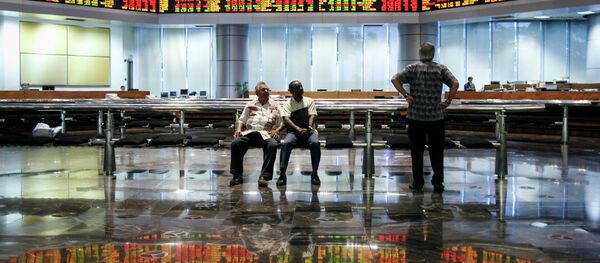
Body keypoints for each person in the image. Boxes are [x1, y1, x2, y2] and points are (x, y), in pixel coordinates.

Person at [391, 42, 458, 193]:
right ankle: (438, 182)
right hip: (435, 117)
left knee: (416, 152)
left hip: (416, 117)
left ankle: (418, 182)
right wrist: (447, 101)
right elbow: (455, 83)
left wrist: (406, 94)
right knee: (437, 152)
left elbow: (395, 79)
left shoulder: (412, 68)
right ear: (433, 54)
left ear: (420, 54)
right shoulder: (441, 69)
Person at [229, 81, 284, 187]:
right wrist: (238, 130)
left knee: (272, 145)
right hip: (250, 132)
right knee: (236, 143)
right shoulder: (250, 104)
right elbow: (242, 119)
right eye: (263, 90)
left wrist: (276, 131)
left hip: (266, 133)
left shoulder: (276, 105)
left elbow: (283, 121)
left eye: (268, 90)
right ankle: (237, 175)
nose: (266, 91)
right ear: (257, 92)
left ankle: (264, 176)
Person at [276, 80, 321, 186]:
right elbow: (286, 119)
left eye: (301, 86)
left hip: (309, 131)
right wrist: (298, 129)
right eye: (297, 87)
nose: (300, 88)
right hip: (294, 132)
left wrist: (308, 128)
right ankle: (282, 174)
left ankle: (314, 173)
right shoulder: (287, 104)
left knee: (315, 143)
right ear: (290, 91)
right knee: (286, 144)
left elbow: (312, 116)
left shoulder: (309, 101)